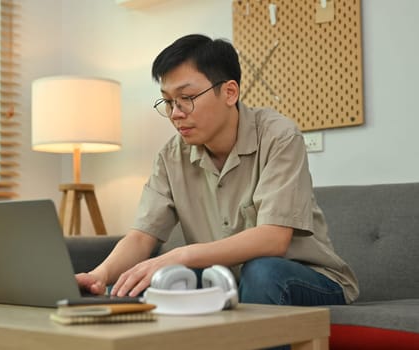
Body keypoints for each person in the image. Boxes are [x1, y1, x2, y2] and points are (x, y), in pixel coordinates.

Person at [76, 34, 359, 307]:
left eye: (186, 97)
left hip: (308, 279)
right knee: (148, 283)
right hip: (225, 279)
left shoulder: (278, 136)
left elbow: (273, 238)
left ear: (229, 92)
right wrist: (98, 276)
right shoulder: (171, 156)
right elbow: (141, 237)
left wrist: (181, 255)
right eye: (169, 101)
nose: (175, 113)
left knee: (262, 273)